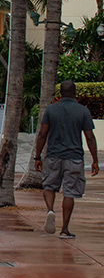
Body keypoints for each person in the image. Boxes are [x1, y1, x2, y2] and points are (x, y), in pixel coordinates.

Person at [35, 80, 99, 238]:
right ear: (75, 93)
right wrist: (95, 160)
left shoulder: (51, 110)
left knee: (49, 186)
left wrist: (37, 156)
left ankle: (50, 210)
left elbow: (42, 134)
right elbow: (90, 137)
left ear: (60, 93)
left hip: (53, 156)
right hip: (74, 157)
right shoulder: (82, 111)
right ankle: (64, 229)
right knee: (69, 193)